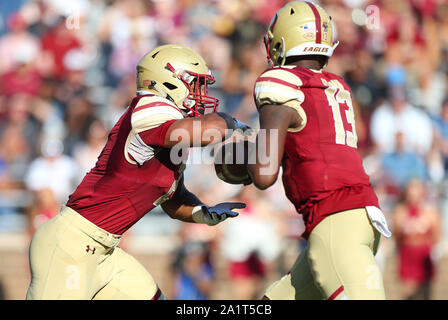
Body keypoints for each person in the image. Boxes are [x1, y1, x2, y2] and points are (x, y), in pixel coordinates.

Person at [26, 44, 250, 300]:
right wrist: (232, 121)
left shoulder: (172, 133)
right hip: (72, 245)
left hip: (104, 253)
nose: (201, 93)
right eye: (195, 84)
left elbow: (173, 200)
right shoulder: (149, 106)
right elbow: (207, 131)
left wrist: (203, 213)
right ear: (167, 82)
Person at [244, 1, 392, 300]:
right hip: (361, 215)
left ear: (282, 40)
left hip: (335, 220)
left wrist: (236, 156)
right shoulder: (335, 86)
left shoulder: (281, 82)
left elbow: (263, 174)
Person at [393, 179, 442, 300]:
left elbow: (436, 236)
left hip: (423, 254)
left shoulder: (430, 212)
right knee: (408, 293)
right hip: (408, 253)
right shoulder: (400, 211)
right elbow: (396, 235)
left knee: (426, 292)